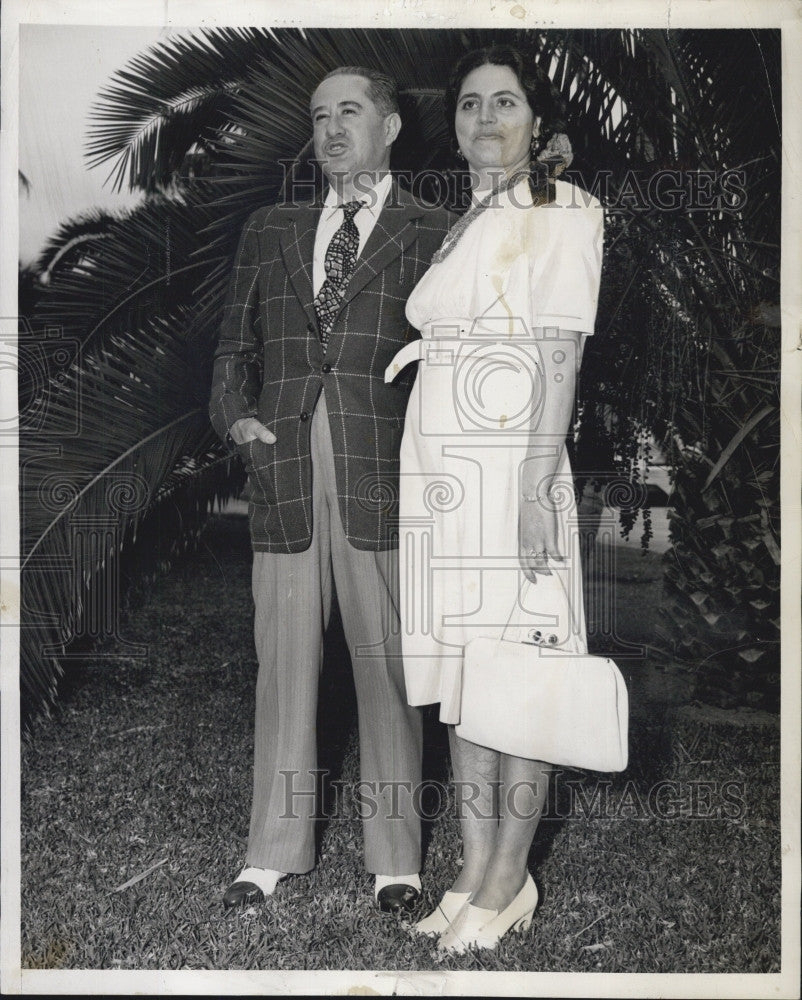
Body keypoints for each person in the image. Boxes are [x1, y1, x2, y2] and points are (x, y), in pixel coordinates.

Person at [209, 66, 452, 913]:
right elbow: (229, 348)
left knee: (386, 663)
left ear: (389, 128)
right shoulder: (271, 226)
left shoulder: (435, 231)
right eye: (319, 117)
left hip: (384, 467)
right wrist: (237, 419)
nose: (332, 128)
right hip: (282, 462)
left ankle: (396, 861)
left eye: (350, 111)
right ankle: (271, 848)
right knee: (284, 660)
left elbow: (458, 357)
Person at [385, 45, 604, 952]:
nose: (483, 118)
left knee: (523, 675)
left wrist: (531, 484)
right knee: (464, 678)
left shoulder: (565, 210)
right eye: (470, 104)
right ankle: (473, 872)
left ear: (538, 122)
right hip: (442, 466)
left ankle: (511, 880)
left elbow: (561, 351)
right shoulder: (467, 217)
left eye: (504, 102)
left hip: (510, 465)